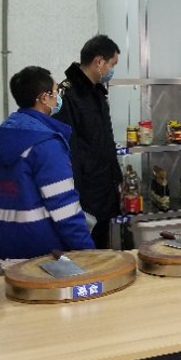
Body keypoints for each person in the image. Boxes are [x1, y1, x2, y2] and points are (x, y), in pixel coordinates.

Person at [0, 66, 94, 360]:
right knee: (51, 326)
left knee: (24, 322)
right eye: (55, 92)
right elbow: (64, 207)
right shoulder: (44, 142)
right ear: (44, 97)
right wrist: (89, 254)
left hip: (8, 243)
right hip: (47, 249)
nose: (58, 98)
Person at [53, 35, 122, 248]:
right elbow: (68, 150)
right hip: (85, 194)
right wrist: (74, 198)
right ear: (99, 62)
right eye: (112, 64)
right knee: (84, 253)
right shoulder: (68, 96)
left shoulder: (96, 93)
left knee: (102, 248)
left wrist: (117, 178)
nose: (112, 70)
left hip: (104, 188)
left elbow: (105, 140)